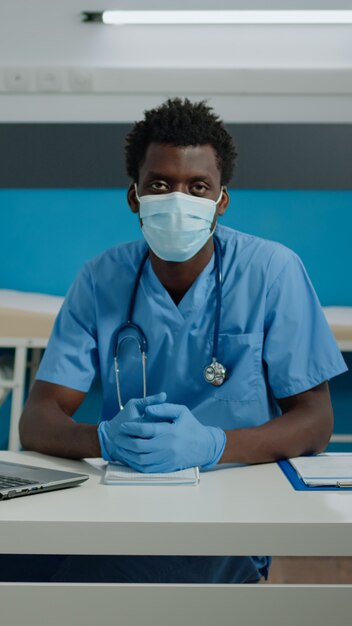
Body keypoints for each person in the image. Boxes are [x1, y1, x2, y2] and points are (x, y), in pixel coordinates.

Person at [18, 98, 347, 584]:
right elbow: (38, 420)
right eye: (160, 184)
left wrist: (213, 445)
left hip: (235, 499)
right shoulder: (101, 278)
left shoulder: (271, 272)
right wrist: (106, 439)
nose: (178, 200)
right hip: (123, 496)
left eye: (198, 187)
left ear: (221, 199)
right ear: (134, 196)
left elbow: (316, 420)